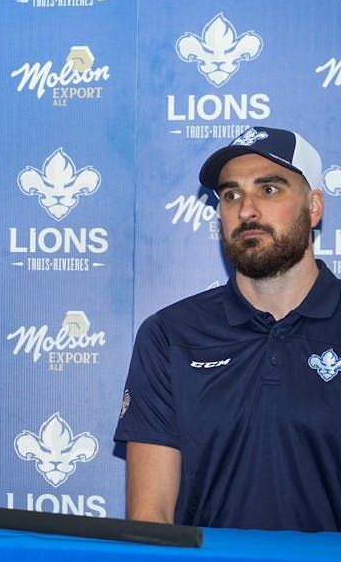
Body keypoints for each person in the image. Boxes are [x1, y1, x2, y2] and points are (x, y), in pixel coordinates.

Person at [116, 126, 341, 532]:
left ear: (314, 207)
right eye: (231, 195)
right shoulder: (170, 335)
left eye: (269, 189)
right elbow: (150, 520)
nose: (246, 210)